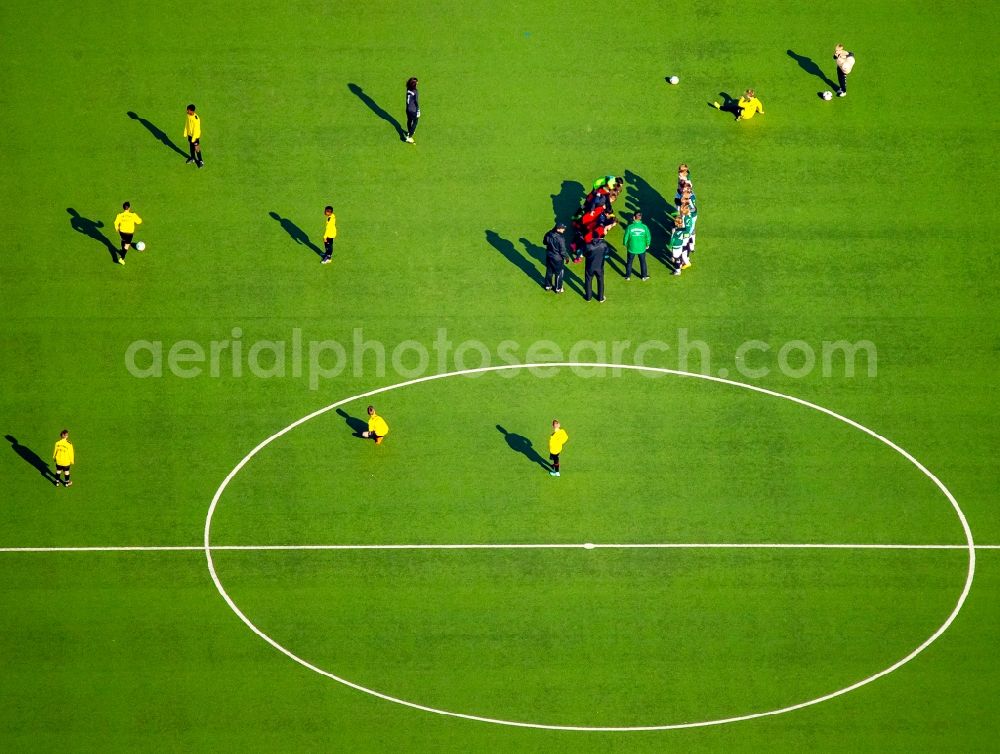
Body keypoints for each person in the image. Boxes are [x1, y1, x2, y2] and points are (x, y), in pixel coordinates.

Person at [623, 211, 651, 280]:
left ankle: (628, 276)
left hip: (631, 247)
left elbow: (626, 237)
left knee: (629, 262)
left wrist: (625, 243)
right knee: (643, 262)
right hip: (641, 248)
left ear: (633, 217)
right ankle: (644, 276)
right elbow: (648, 237)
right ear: (640, 218)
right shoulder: (644, 227)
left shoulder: (630, 227)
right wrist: (647, 244)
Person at [543, 222, 570, 293]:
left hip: (549, 256)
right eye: (563, 228)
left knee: (549, 271)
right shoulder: (561, 238)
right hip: (558, 259)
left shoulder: (548, 234)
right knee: (559, 273)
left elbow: (544, 242)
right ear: (558, 229)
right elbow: (563, 251)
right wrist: (567, 257)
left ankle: (548, 286)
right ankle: (558, 288)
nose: (564, 230)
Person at [583, 237, 609, 301]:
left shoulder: (588, 246)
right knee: (600, 281)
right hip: (599, 267)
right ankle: (600, 298)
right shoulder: (604, 244)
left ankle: (588, 297)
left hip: (590, 267)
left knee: (588, 281)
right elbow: (607, 251)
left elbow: (584, 254)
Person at [404, 77, 420, 143]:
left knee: (409, 120)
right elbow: (416, 102)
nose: (418, 83)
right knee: (415, 122)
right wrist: (418, 110)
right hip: (413, 110)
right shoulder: (415, 91)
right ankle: (409, 137)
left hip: (407, 109)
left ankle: (409, 131)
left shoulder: (408, 89)